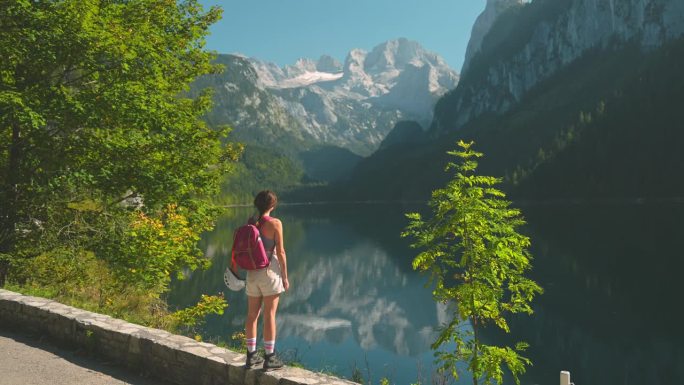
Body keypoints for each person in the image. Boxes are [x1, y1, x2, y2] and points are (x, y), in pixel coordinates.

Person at [244, 190, 289, 369]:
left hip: (252, 274)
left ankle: (251, 356)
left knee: (252, 315)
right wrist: (285, 277)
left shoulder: (250, 223)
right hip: (269, 274)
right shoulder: (275, 223)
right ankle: (270, 357)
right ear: (273, 205)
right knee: (269, 314)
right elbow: (281, 252)